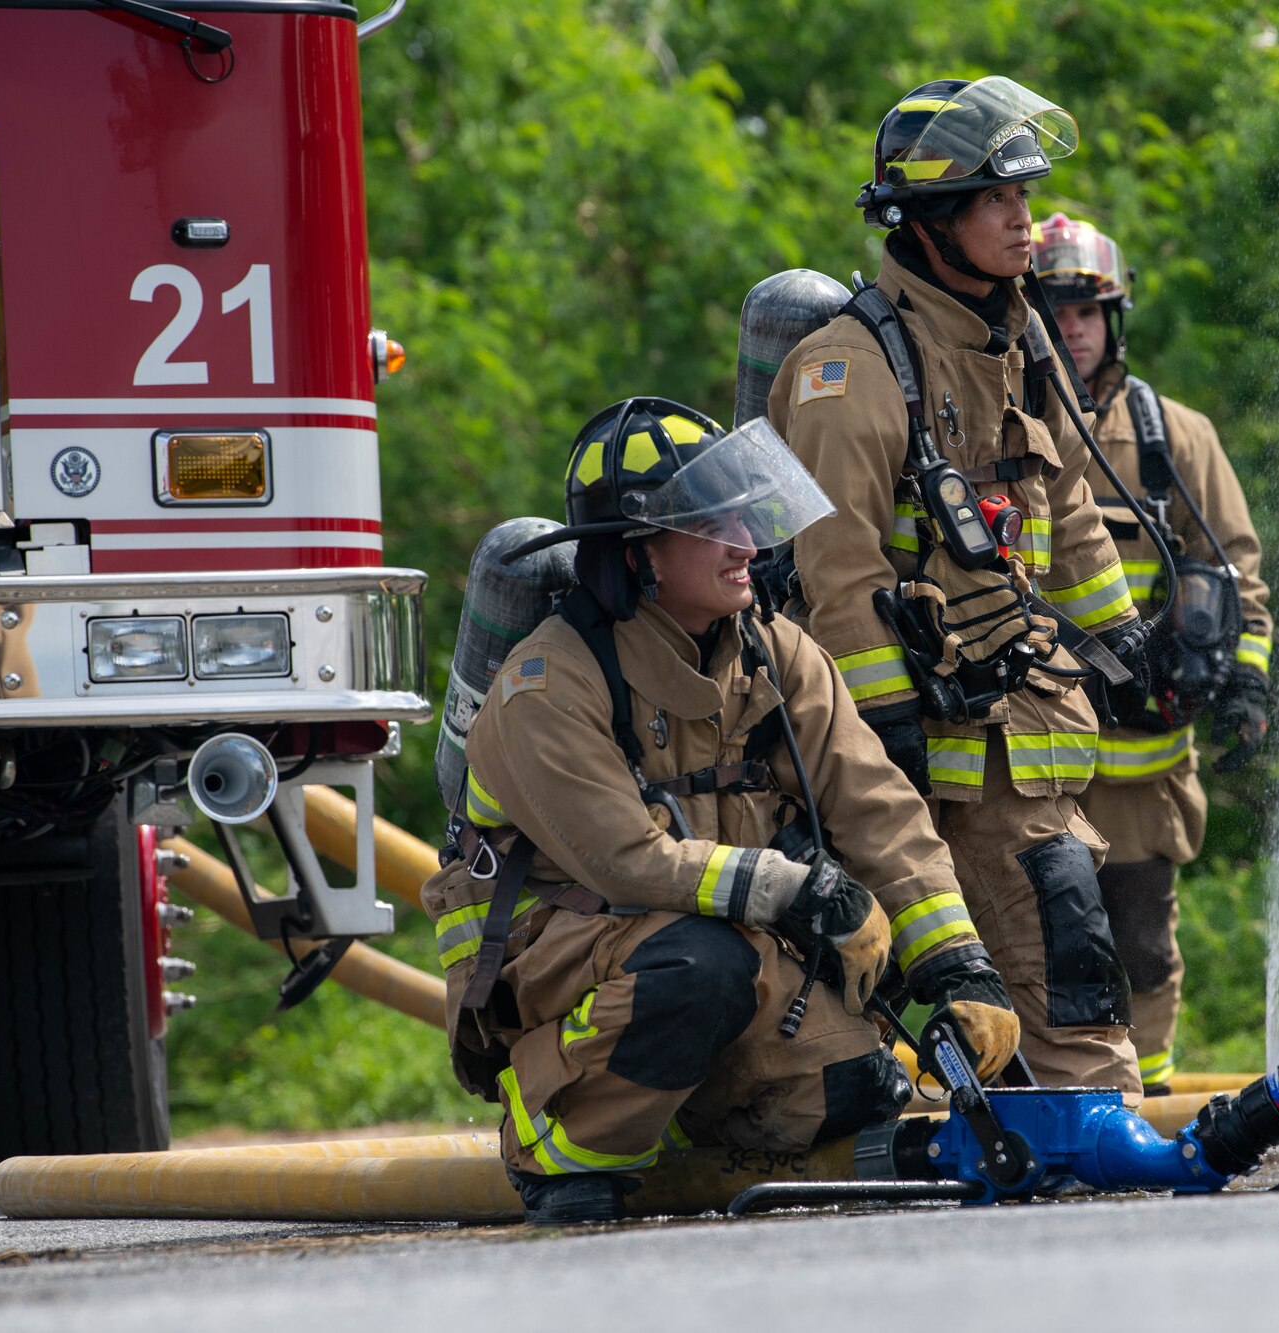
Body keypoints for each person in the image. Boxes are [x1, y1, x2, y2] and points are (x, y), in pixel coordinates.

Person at [420, 398, 1019, 1224]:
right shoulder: (546, 685)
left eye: (744, 511)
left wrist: (958, 965)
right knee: (699, 972)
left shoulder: (776, 652)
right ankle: (556, 1133)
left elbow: (876, 809)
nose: (747, 542)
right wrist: (800, 890)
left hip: (721, 947)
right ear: (641, 554)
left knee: (859, 1090)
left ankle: (675, 1112)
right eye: (712, 523)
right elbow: (625, 861)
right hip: (559, 958)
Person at [766, 78, 1151, 1096]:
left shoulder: (1012, 341)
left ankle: (1056, 1139)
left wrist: (1121, 640)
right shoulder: (846, 373)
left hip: (1022, 732)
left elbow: (1063, 497)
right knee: (1056, 984)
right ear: (931, 220)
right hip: (939, 748)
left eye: (1024, 195)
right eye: (996, 199)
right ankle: (1088, 1137)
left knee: (1042, 971)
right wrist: (882, 730)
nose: (1026, 220)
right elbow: (834, 568)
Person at [1033, 213, 1273, 1096]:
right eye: (1054, 307)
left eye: (1090, 309)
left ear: (1115, 319)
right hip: (1032, 757)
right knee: (1048, 940)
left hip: (1140, 764)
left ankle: (1154, 1095)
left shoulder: (1176, 439)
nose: (1074, 327)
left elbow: (1237, 574)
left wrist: (1245, 677)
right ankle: (1059, 1096)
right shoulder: (999, 431)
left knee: (1139, 941)